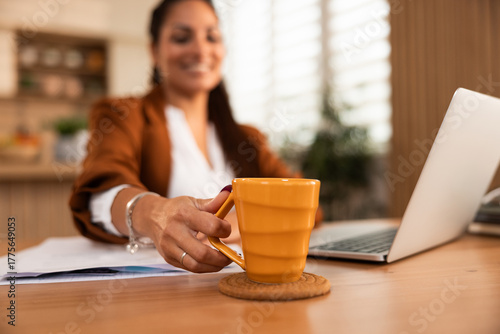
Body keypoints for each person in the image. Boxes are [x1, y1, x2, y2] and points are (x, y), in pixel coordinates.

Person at [70, 0, 321, 274]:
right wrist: (153, 213)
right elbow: (99, 194)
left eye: (211, 37)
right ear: (154, 51)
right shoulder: (123, 115)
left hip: (246, 284)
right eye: (181, 37)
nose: (201, 50)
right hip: (162, 294)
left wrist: (238, 222)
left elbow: (305, 201)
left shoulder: (247, 138)